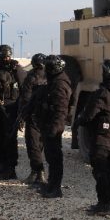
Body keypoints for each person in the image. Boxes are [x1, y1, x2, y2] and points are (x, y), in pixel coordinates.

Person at [75, 60, 110, 215]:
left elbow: (88, 115)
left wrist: (79, 120)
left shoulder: (102, 93)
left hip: (102, 138)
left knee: (100, 172)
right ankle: (106, 203)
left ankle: (103, 205)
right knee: (108, 172)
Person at [0, 44, 26, 180]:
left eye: (7, 56)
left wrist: (21, 114)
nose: (5, 58)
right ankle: (2, 165)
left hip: (11, 108)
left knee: (9, 139)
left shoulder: (16, 69)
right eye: (3, 56)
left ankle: (11, 169)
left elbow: (24, 90)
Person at [37, 55, 72, 199]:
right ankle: (51, 184)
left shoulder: (59, 84)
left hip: (53, 126)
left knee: (55, 158)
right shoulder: (53, 81)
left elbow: (61, 109)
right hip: (48, 124)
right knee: (51, 157)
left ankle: (55, 188)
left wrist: (54, 128)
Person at [19, 53, 47, 185]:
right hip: (46, 115)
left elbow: (25, 98)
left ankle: (37, 172)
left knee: (32, 144)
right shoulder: (51, 76)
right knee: (40, 144)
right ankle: (38, 172)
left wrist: (22, 116)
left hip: (34, 115)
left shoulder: (31, 76)